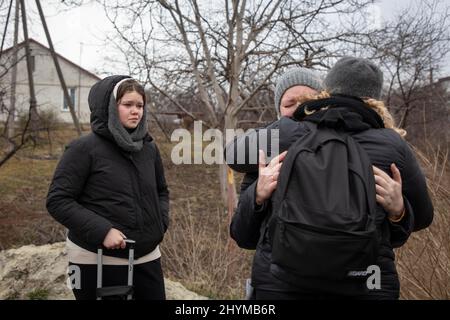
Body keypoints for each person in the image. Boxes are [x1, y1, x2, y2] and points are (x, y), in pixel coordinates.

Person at [226, 59, 434, 299]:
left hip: (281, 285)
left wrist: (258, 195)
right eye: (289, 103)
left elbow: (232, 155)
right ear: (376, 101)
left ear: (324, 93)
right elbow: (422, 218)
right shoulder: (392, 146)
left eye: (302, 101)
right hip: (367, 285)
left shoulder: (281, 137)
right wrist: (399, 212)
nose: (296, 109)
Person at [46, 76, 169, 300]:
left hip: (147, 257)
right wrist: (103, 230)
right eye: (128, 105)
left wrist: (160, 223)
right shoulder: (83, 149)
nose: (136, 112)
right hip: (96, 259)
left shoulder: (149, 149)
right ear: (111, 108)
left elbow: (161, 191)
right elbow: (58, 200)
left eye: (140, 105)